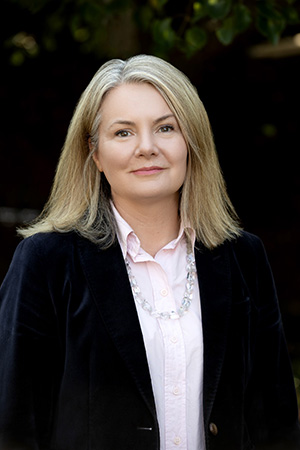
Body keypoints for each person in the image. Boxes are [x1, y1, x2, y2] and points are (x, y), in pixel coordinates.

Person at [0, 54, 299, 450]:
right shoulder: (46, 262)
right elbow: (15, 426)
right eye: (123, 133)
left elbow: (275, 423)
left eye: (165, 128)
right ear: (94, 154)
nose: (147, 147)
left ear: (191, 141)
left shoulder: (243, 258)